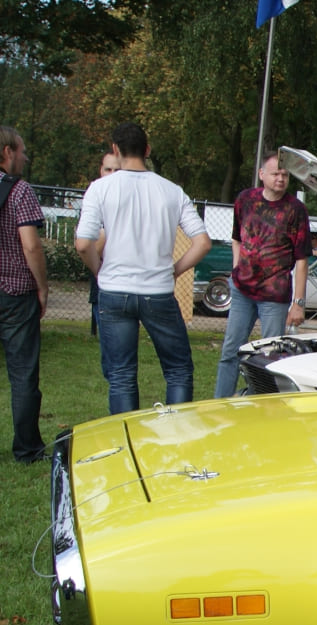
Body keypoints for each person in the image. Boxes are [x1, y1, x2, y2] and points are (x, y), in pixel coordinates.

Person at [75, 121, 211, 415]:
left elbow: (83, 244)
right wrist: (174, 271)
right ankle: (176, 437)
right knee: (177, 369)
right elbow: (202, 242)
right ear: (147, 150)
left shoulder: (100, 189)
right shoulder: (172, 191)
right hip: (158, 291)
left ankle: (127, 444)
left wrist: (100, 271)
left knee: (121, 375)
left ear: (115, 149)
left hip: (114, 290)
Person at [213, 151, 311, 397]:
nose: (280, 178)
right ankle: (220, 403)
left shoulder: (296, 210)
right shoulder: (245, 200)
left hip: (274, 296)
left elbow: (301, 260)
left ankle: (267, 405)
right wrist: (237, 268)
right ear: (262, 174)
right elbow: (237, 239)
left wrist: (297, 303)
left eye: (285, 174)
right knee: (231, 351)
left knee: (272, 357)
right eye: (276, 173)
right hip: (242, 291)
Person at [0, 125, 47, 464]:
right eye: (22, 150)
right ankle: (27, 448)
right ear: (7, 152)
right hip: (15, 292)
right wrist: (42, 286)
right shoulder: (19, 191)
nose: (25, 156)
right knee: (23, 374)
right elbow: (30, 245)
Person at [87, 152, 121, 336]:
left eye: (117, 170)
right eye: (108, 169)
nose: (112, 174)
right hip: (102, 279)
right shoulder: (95, 197)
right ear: (101, 170)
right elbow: (88, 244)